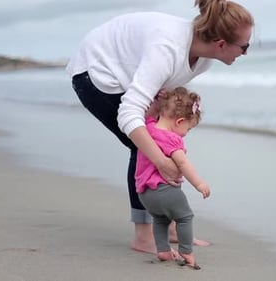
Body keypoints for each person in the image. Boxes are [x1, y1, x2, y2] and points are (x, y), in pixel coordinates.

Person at [67, 0, 253, 254]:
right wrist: (161, 161)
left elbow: (159, 87)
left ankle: (171, 228)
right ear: (221, 44)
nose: (245, 53)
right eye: (245, 47)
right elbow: (129, 114)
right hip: (96, 71)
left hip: (126, 69)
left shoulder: (204, 58)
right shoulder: (167, 48)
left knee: (160, 140)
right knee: (145, 146)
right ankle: (144, 236)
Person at [136, 87, 210, 269]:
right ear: (179, 121)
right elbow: (183, 164)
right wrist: (199, 184)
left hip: (145, 194)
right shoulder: (171, 139)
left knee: (161, 219)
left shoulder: (148, 126)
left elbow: (150, 113)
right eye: (188, 129)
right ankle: (186, 251)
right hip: (164, 190)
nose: (186, 133)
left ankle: (163, 250)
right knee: (185, 217)